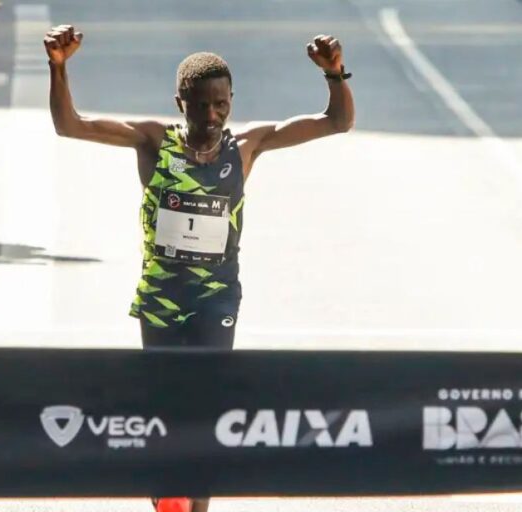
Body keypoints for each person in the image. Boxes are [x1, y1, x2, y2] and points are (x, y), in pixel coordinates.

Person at [44, 24, 354, 512]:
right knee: (163, 410)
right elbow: (70, 125)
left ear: (232, 100)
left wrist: (336, 74)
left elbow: (335, 122)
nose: (211, 115)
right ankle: (169, 498)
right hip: (162, 297)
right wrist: (58, 68)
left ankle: (196, 503)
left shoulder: (245, 147)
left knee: (205, 406)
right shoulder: (153, 144)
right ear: (179, 102)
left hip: (217, 298)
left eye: (221, 104)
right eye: (200, 104)